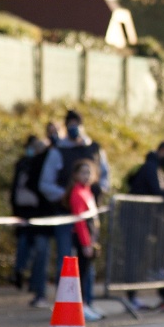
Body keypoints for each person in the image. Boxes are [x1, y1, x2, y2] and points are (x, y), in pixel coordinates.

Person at [38, 109, 110, 283]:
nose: (74, 127)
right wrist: (68, 195)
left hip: (89, 215)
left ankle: (86, 297)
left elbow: (105, 177)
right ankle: (65, 297)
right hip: (65, 214)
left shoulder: (94, 148)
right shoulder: (58, 151)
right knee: (66, 260)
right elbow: (45, 183)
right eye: (70, 124)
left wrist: (97, 192)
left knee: (88, 260)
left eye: (76, 124)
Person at [125, 139, 164, 310]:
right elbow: (157, 190)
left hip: (148, 217)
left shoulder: (161, 168)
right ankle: (132, 296)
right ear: (160, 150)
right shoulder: (150, 167)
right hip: (137, 217)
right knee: (135, 256)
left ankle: (159, 270)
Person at [10, 135, 52, 309]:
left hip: (42, 216)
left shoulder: (45, 162)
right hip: (24, 214)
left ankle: (37, 289)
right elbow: (15, 190)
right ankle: (21, 274)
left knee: (39, 252)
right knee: (26, 245)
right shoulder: (24, 164)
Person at [65, 159, 104, 321]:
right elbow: (80, 222)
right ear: (75, 175)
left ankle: (87, 303)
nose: (86, 176)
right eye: (83, 172)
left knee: (88, 273)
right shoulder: (77, 192)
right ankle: (80, 306)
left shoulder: (88, 191)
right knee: (81, 274)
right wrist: (86, 243)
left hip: (90, 239)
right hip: (82, 240)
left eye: (89, 173)